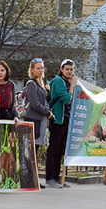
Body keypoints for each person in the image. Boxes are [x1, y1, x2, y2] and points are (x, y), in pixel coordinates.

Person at [45, 59, 77, 188]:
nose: (69, 72)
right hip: (57, 120)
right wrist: (73, 86)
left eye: (71, 69)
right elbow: (65, 99)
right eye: (67, 69)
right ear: (61, 69)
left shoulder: (67, 82)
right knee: (53, 149)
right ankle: (49, 178)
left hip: (66, 120)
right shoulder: (58, 81)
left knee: (60, 151)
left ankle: (57, 178)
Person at [24, 58, 54, 153]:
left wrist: (48, 92)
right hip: (33, 119)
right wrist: (47, 112)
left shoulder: (42, 83)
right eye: (38, 68)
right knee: (31, 150)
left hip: (41, 120)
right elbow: (35, 104)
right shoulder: (31, 83)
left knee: (36, 149)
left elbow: (45, 101)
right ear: (32, 70)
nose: (41, 70)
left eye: (42, 68)